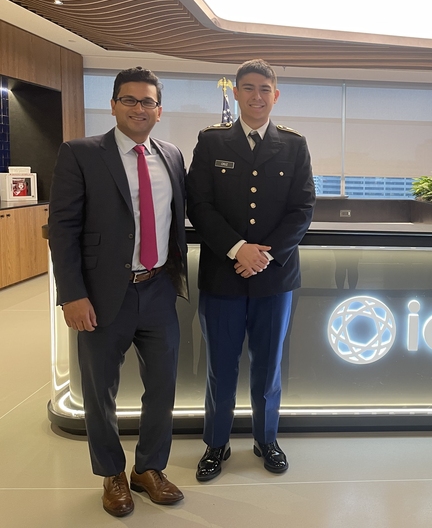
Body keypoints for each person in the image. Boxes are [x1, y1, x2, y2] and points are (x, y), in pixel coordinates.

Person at [48, 67, 188, 517]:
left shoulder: (172, 156)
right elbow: (63, 229)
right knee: (99, 390)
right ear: (112, 105)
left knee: (163, 386)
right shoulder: (80, 153)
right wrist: (71, 294)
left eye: (147, 102)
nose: (138, 109)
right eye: (129, 100)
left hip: (158, 289)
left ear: (159, 111)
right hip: (102, 294)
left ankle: (148, 470)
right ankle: (111, 472)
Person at [187, 59, 315, 481]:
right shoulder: (211, 142)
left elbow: (302, 209)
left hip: (275, 277)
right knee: (221, 366)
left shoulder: (294, 145)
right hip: (223, 275)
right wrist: (238, 248)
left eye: (264, 89)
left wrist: (264, 254)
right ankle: (216, 444)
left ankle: (267, 439)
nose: (257, 96)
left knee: (268, 365)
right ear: (236, 93)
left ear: (275, 95)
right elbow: (198, 205)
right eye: (248, 88)